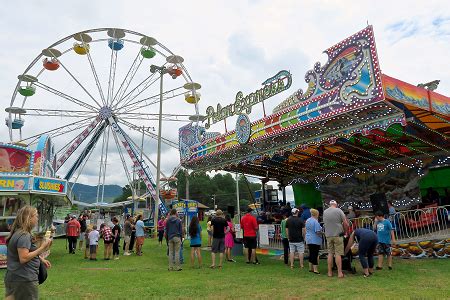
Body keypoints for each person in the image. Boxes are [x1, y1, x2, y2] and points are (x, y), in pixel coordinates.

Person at [4, 206, 52, 300]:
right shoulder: (24, 236)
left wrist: (41, 259)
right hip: (24, 279)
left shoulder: (18, 233)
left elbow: (20, 254)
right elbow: (23, 258)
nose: (37, 219)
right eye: (36, 216)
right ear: (29, 218)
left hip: (15, 278)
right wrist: (42, 248)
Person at [323, 200, 348, 278]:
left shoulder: (325, 212)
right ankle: (339, 273)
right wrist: (345, 232)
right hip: (338, 235)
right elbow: (345, 223)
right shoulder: (339, 210)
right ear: (336, 205)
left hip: (328, 235)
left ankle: (329, 272)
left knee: (330, 253)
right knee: (338, 254)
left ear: (330, 205)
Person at [305, 208, 322, 274]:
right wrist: (322, 233)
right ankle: (315, 269)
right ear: (316, 214)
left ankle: (310, 268)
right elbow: (317, 231)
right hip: (315, 239)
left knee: (311, 253)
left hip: (309, 239)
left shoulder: (307, 220)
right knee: (315, 254)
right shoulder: (315, 222)